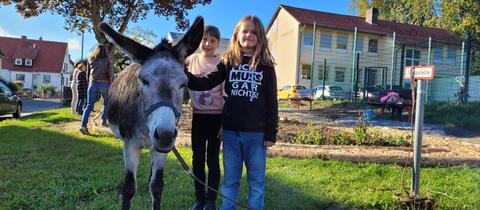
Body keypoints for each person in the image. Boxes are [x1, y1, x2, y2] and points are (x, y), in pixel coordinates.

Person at [186, 15, 278, 210]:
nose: (249, 35)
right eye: (245, 31)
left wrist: (271, 131)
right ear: (237, 34)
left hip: (257, 134)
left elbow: (271, 100)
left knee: (256, 181)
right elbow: (208, 81)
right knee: (230, 180)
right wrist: (184, 75)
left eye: (254, 32)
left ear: (260, 36)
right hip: (231, 133)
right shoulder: (228, 61)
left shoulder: (266, 66)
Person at [187, 25, 224, 210]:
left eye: (212, 40)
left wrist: (224, 122)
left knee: (213, 159)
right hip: (198, 117)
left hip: (216, 118)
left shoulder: (223, 63)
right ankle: (199, 199)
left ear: (218, 43)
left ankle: (211, 200)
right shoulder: (191, 60)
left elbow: (227, 94)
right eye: (204, 39)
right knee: (197, 159)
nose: (207, 44)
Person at [80, 44, 113, 135]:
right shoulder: (107, 60)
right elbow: (110, 74)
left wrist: (89, 83)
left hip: (92, 83)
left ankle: (83, 126)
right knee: (106, 103)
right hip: (104, 83)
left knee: (89, 105)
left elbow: (88, 73)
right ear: (105, 51)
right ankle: (103, 122)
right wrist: (111, 84)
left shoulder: (91, 59)